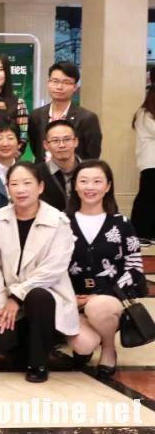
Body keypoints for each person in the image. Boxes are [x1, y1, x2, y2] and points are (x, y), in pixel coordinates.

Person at [0, 162, 79, 383]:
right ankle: (21, 351)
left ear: (40, 187)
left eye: (27, 183)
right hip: (8, 298)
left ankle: (38, 364)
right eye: (14, 184)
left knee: (38, 296)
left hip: (47, 297)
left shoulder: (58, 221)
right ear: (7, 188)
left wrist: (17, 297)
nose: (21, 189)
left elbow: (53, 269)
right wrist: (1, 304)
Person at [66, 160, 144, 378]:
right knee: (83, 345)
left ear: (108, 186)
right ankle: (91, 338)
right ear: (75, 185)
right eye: (84, 181)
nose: (90, 187)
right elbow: (53, 265)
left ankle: (109, 347)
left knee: (99, 306)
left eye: (97, 181)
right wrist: (70, 297)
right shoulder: (62, 222)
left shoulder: (121, 223)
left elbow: (134, 267)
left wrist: (103, 294)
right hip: (73, 300)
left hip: (109, 299)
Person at [29, 61, 102, 161]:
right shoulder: (36, 115)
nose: (59, 87)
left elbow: (92, 155)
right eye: (55, 81)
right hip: (43, 169)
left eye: (66, 82)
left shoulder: (87, 118)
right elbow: (36, 149)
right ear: (48, 83)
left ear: (75, 87)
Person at [36, 119, 81, 210]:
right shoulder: (36, 174)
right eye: (55, 140)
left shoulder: (91, 171)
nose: (62, 145)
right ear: (46, 145)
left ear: (76, 141)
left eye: (67, 139)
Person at [133, 75, 155, 239]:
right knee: (147, 198)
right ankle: (140, 232)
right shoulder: (145, 114)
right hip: (150, 163)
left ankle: (150, 232)